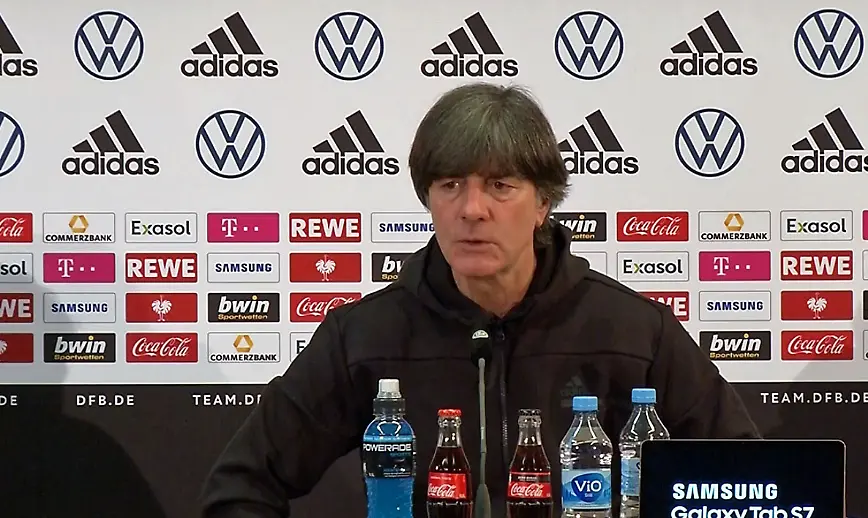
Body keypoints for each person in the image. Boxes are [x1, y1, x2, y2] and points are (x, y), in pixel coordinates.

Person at [199, 83, 760, 518]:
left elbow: (747, 481)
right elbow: (241, 486)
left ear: (542, 204)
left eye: (500, 185)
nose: (471, 209)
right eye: (450, 185)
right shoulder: (364, 336)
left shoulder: (634, 333)